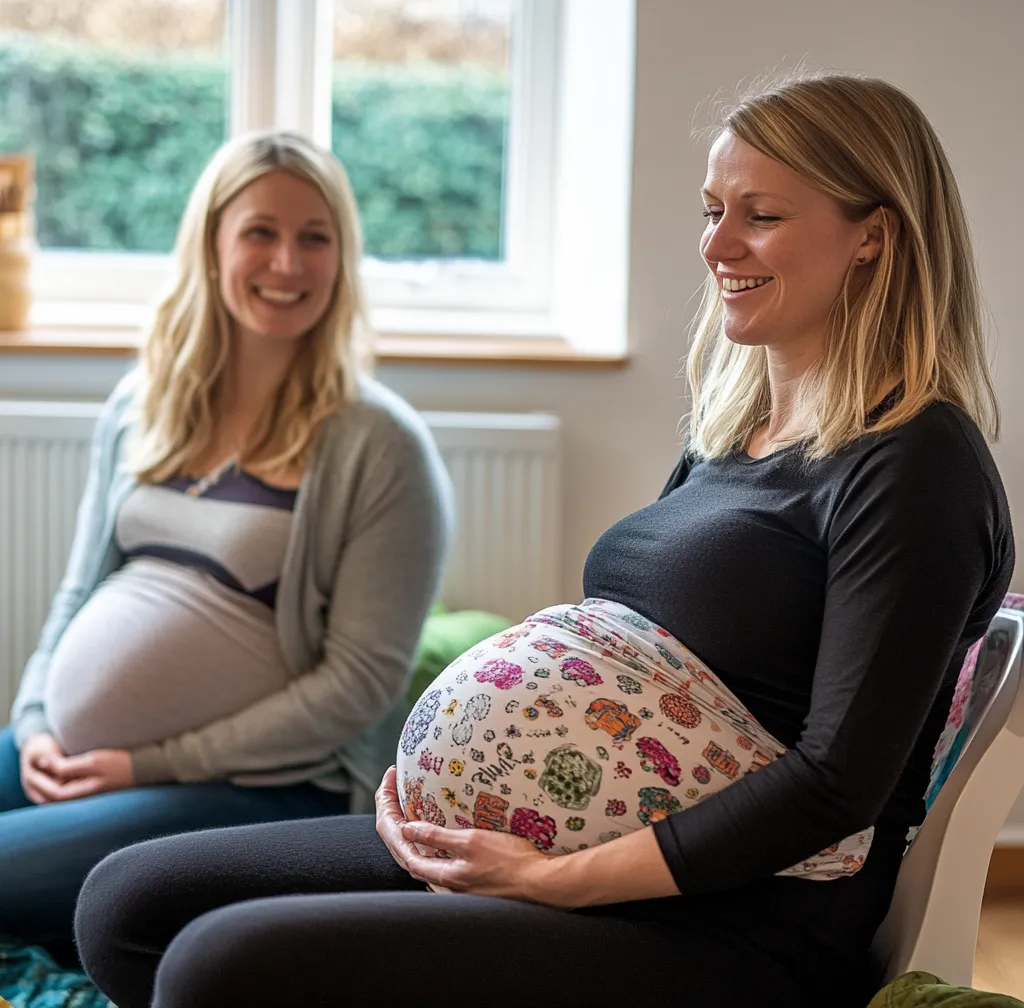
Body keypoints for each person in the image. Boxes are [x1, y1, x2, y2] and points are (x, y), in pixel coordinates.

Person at [75, 73, 1014, 1008]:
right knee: (129, 904)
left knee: (216, 965)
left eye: (760, 216)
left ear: (874, 238)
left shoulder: (916, 461)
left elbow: (833, 786)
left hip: (731, 922)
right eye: (712, 209)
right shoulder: (729, 432)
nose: (717, 245)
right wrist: (442, 797)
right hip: (561, 852)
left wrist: (547, 880)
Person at [1, 130, 452, 951]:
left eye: (315, 238)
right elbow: (77, 593)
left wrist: (150, 762)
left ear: (342, 259)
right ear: (211, 244)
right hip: (71, 751)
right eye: (260, 232)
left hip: (273, 789)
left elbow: (357, 685)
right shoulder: (142, 403)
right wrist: (33, 723)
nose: (288, 263)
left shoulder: (380, 445)